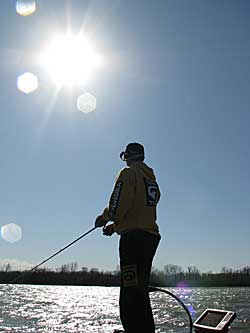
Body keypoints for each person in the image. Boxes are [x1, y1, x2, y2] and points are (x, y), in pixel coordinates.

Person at [95, 142, 161, 333]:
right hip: (150, 238)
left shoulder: (128, 173)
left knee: (129, 290)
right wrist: (116, 228)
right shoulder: (151, 181)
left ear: (128, 156)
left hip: (133, 241)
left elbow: (118, 204)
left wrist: (104, 217)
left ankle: (133, 330)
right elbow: (138, 210)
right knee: (140, 290)